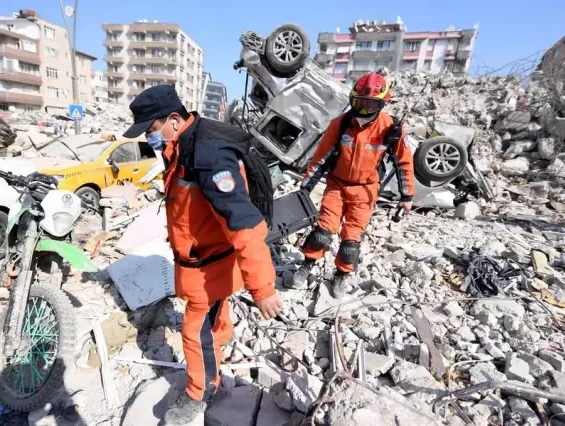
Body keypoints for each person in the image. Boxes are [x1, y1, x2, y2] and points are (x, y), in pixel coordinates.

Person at [123, 85, 282, 423]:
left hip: (211, 269)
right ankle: (217, 354)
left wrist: (263, 289)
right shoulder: (183, 146)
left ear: (174, 119)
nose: (151, 137)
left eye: (152, 129)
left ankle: (200, 393)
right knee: (214, 323)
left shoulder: (208, 158)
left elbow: (245, 225)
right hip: (203, 264)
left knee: (195, 331)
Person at [293, 72, 415, 298]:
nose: (364, 110)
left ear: (382, 103)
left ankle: (341, 275)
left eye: (371, 105)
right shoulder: (339, 125)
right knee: (322, 232)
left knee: (351, 243)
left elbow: (404, 162)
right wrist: (304, 190)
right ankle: (307, 264)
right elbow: (320, 158)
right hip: (337, 186)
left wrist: (406, 197)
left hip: (365, 191)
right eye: (359, 103)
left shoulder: (391, 129)